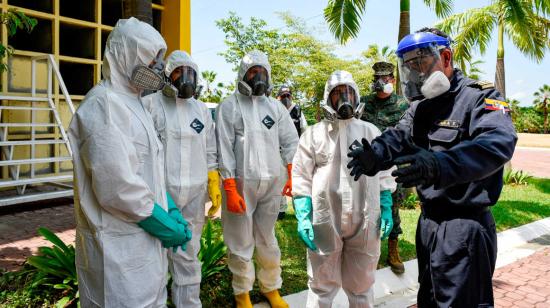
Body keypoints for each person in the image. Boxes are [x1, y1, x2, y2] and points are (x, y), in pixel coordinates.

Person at [347, 28, 517, 307]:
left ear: (446, 57)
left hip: (464, 226)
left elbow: (497, 144)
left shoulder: (478, 97)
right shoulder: (421, 107)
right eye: (409, 67)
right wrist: (375, 154)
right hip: (429, 224)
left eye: (421, 64)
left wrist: (439, 165)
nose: (415, 74)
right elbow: (397, 136)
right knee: (429, 300)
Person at [68, 18, 192, 307]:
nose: (159, 68)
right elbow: (117, 186)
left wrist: (169, 207)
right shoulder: (104, 104)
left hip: (144, 251)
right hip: (116, 254)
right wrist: (164, 223)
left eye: (160, 60)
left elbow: (148, 170)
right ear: (126, 55)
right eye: (152, 59)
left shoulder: (136, 102)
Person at [292, 70, 396, 308]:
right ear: (328, 99)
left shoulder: (370, 131)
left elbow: (384, 172)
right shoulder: (313, 135)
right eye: (337, 94)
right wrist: (303, 214)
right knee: (321, 287)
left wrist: (387, 205)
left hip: (366, 218)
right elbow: (301, 176)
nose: (343, 99)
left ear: (356, 96)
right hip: (325, 219)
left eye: (348, 92)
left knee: (362, 286)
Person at [216, 50, 299, 308]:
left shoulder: (275, 107)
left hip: (272, 184)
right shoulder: (228, 106)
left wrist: (291, 173)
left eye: (263, 71)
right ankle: (242, 293)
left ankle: (270, 288)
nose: (258, 77)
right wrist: (229, 187)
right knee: (240, 242)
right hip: (240, 185)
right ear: (243, 74)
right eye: (253, 72)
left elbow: (290, 141)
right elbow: (223, 148)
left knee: (267, 238)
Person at [142, 50, 221, 308]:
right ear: (167, 75)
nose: (184, 77)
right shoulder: (150, 105)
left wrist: (213, 178)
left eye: (189, 73)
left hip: (195, 196)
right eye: (178, 72)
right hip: (160, 196)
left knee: (189, 254)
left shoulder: (200, 109)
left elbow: (210, 148)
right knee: (154, 256)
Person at [360, 61, 410, 274]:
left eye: (386, 78)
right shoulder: (364, 102)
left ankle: (392, 249)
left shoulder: (402, 105)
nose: (381, 82)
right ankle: (368, 249)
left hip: (393, 164)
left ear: (393, 80)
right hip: (368, 163)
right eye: (377, 78)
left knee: (393, 207)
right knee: (365, 205)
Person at [276, 85, 308, 220]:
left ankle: (299, 209)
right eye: (283, 96)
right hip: (277, 151)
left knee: (296, 181)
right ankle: (280, 210)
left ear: (292, 96)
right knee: (278, 180)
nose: (285, 98)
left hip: (295, 151)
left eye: (288, 95)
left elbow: (304, 130)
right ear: (278, 97)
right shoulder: (274, 109)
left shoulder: (298, 110)